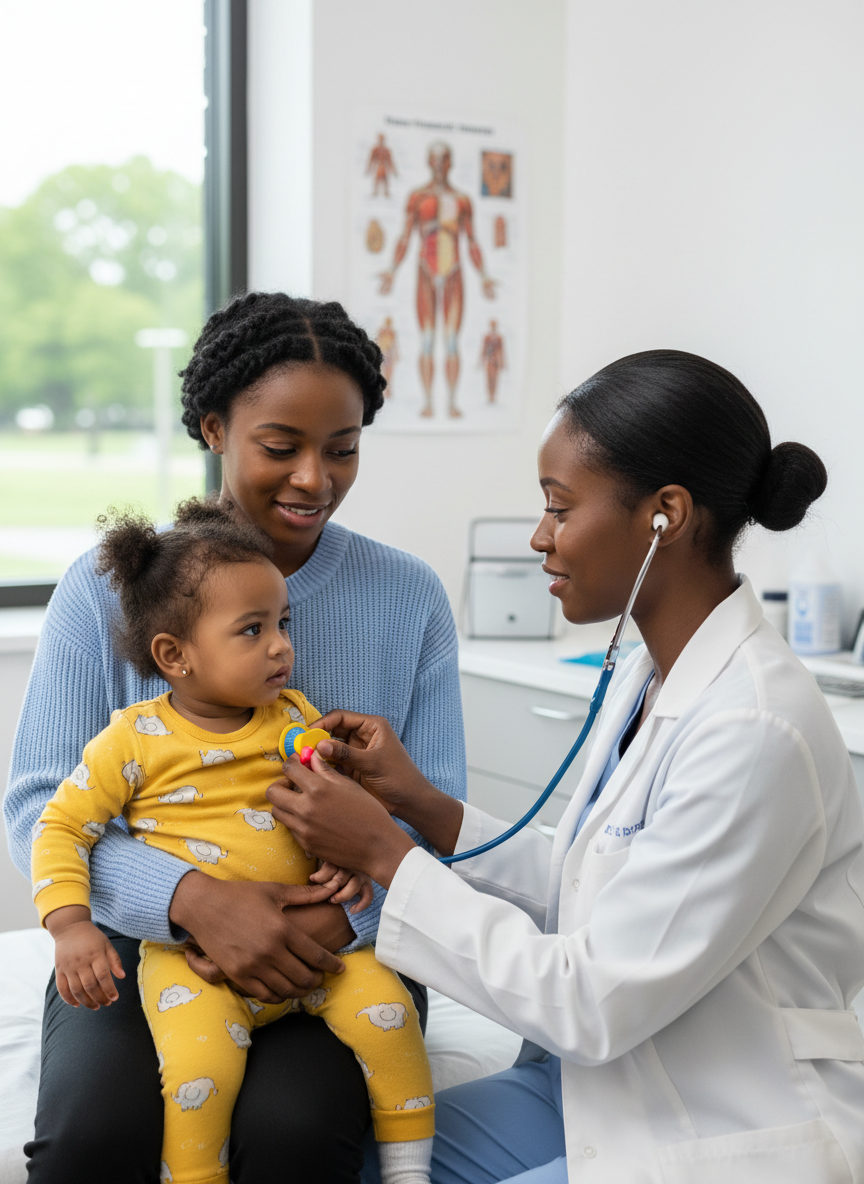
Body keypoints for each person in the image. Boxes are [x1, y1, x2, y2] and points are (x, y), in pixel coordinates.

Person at [267, 350, 864, 1183]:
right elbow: (596, 887)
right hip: (598, 1086)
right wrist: (425, 807)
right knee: (349, 1162)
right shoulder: (644, 673)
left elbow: (589, 1000)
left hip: (721, 1116)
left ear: (666, 515)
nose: (540, 537)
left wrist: (385, 855)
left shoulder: (755, 728)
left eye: (559, 508)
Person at [4, 291, 466, 1184]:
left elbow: (428, 810)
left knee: (294, 1137)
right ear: (214, 428)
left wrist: (336, 917)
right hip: (150, 946)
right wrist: (191, 899)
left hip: (344, 946)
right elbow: (39, 805)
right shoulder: (107, 590)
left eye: (343, 449)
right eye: (281, 447)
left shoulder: (407, 598)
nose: (314, 479)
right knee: (91, 1144)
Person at [31, 499, 436, 1184]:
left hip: (325, 946)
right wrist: (71, 925)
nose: (281, 646)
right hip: (190, 961)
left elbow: (357, 806)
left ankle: (410, 1169)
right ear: (174, 656)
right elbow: (58, 822)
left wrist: (350, 861)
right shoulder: (131, 740)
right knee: (196, 1077)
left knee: (388, 1021)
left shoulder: (296, 717)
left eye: (284, 623)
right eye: (253, 631)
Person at [379, 141, 496, 419]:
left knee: (452, 341)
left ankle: (452, 402)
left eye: (445, 159)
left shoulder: (462, 200)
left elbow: (472, 241)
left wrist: (484, 277)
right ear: (429, 162)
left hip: (454, 272)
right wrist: (392, 271)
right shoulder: (418, 198)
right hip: (425, 272)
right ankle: (429, 402)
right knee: (428, 341)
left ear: (451, 163)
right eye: (435, 159)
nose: (440, 164)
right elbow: (405, 237)